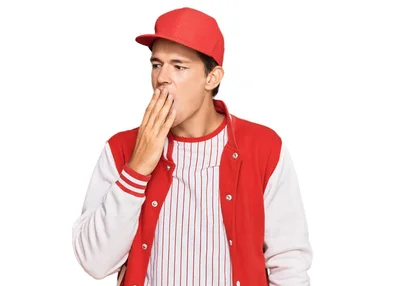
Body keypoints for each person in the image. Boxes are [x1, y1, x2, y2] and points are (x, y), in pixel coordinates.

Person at [71, 7, 312, 286]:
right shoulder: (121, 148)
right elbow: (94, 262)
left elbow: (289, 263)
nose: (162, 78)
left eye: (179, 66)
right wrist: (137, 168)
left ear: (212, 77)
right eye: (156, 64)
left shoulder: (263, 148)